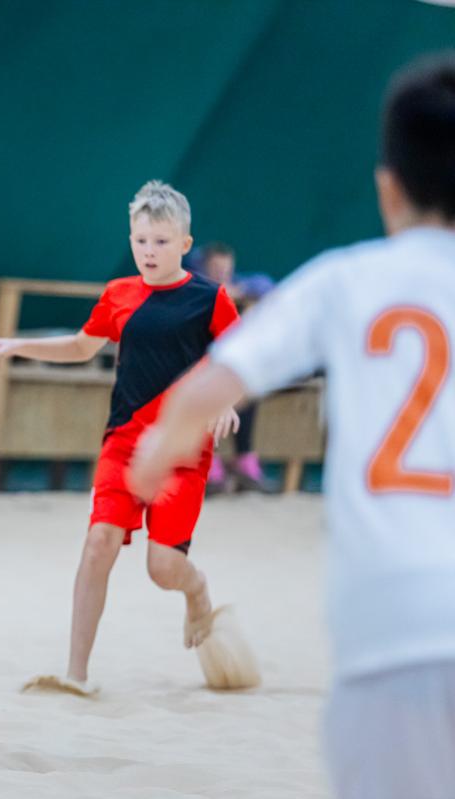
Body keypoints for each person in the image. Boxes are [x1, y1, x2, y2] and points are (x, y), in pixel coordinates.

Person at [130, 55, 455, 799]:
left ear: (388, 188)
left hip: (388, 620)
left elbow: (212, 383)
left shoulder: (345, 278)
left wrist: (157, 449)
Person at [0, 181, 240, 695]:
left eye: (161, 241)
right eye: (141, 240)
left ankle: (197, 591)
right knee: (99, 542)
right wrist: (15, 344)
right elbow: (81, 347)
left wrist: (226, 400)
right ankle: (76, 674)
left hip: (182, 451)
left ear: (185, 244)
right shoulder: (119, 293)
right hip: (124, 443)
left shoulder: (211, 299)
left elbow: (242, 359)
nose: (149, 251)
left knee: (163, 568)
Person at [199, 243, 276, 494]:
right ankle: (208, 462)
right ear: (205, 266)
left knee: (247, 389)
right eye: (215, 268)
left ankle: (243, 460)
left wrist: (240, 289)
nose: (221, 273)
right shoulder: (193, 288)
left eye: (226, 268)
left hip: (227, 369)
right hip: (196, 368)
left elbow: (266, 285)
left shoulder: (239, 288)